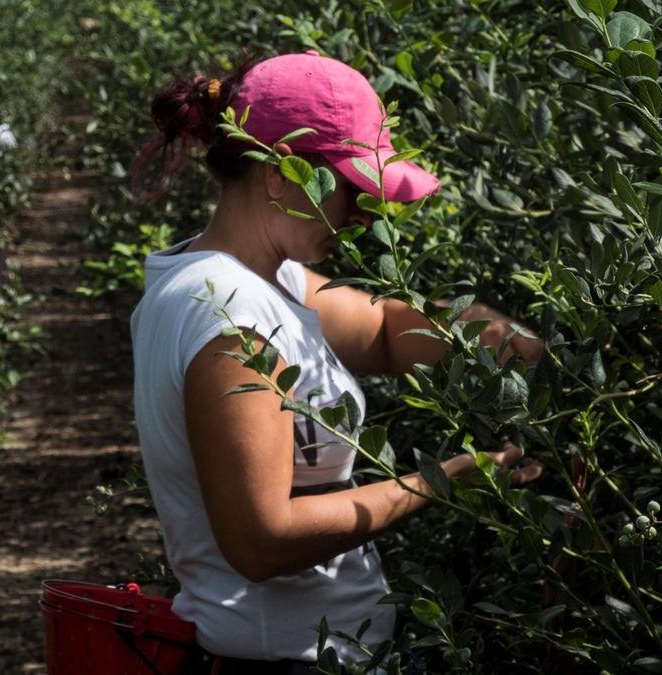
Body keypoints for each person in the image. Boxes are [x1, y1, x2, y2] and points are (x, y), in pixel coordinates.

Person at [128, 51, 546, 674]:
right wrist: (441, 481)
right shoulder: (228, 313)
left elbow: (381, 330)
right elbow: (261, 541)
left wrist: (509, 342)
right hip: (282, 660)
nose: (361, 216)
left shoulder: (262, 280)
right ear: (279, 175)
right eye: (352, 190)